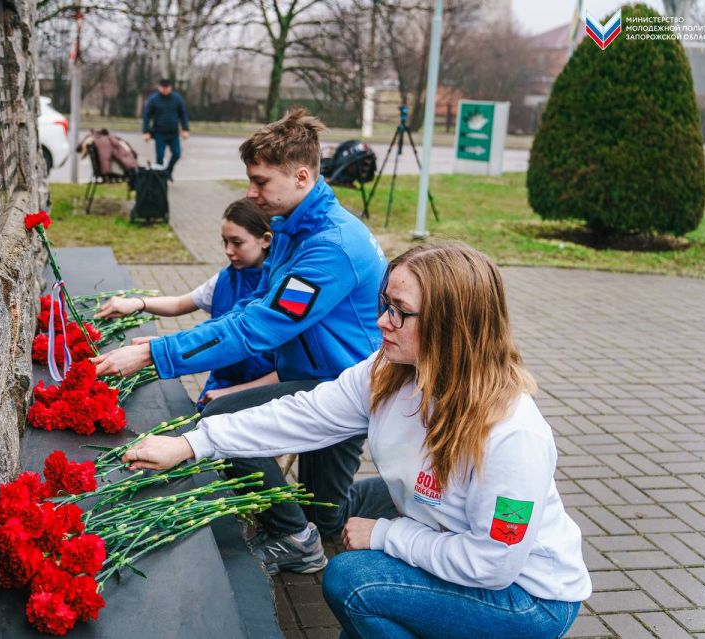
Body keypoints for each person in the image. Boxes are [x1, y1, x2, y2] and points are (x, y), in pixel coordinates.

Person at [121, 242, 592, 639]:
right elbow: (304, 414)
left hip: (525, 597)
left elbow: (493, 564)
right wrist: (193, 443)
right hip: (455, 544)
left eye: (400, 312)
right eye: (384, 304)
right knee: (352, 563)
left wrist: (386, 535)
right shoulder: (391, 372)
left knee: (353, 580)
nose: (382, 321)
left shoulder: (513, 436)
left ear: (452, 325)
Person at [94, 108, 387, 574]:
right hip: (315, 374)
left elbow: (260, 327)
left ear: (302, 176)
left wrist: (155, 352)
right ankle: (380, 502)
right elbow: (255, 308)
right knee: (325, 513)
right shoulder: (293, 226)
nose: (251, 192)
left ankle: (299, 541)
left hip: (344, 386)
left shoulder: (331, 246)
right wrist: (172, 344)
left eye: (260, 181)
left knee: (226, 421)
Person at [94, 198, 278, 408]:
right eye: (224, 241)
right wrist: (138, 303)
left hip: (260, 399)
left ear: (265, 240)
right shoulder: (224, 279)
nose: (228, 250)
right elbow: (180, 303)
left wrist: (232, 393)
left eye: (237, 242)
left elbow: (290, 371)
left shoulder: (279, 292)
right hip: (218, 388)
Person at [141, 79, 190, 179]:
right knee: (160, 156)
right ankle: (160, 179)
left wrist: (185, 129)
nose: (165, 90)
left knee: (177, 153)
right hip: (159, 133)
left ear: (170, 87)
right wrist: (146, 132)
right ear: (159, 88)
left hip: (173, 133)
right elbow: (147, 116)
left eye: (167, 88)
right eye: (163, 88)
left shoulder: (177, 98)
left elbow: (183, 114)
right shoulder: (153, 99)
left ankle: (168, 171)